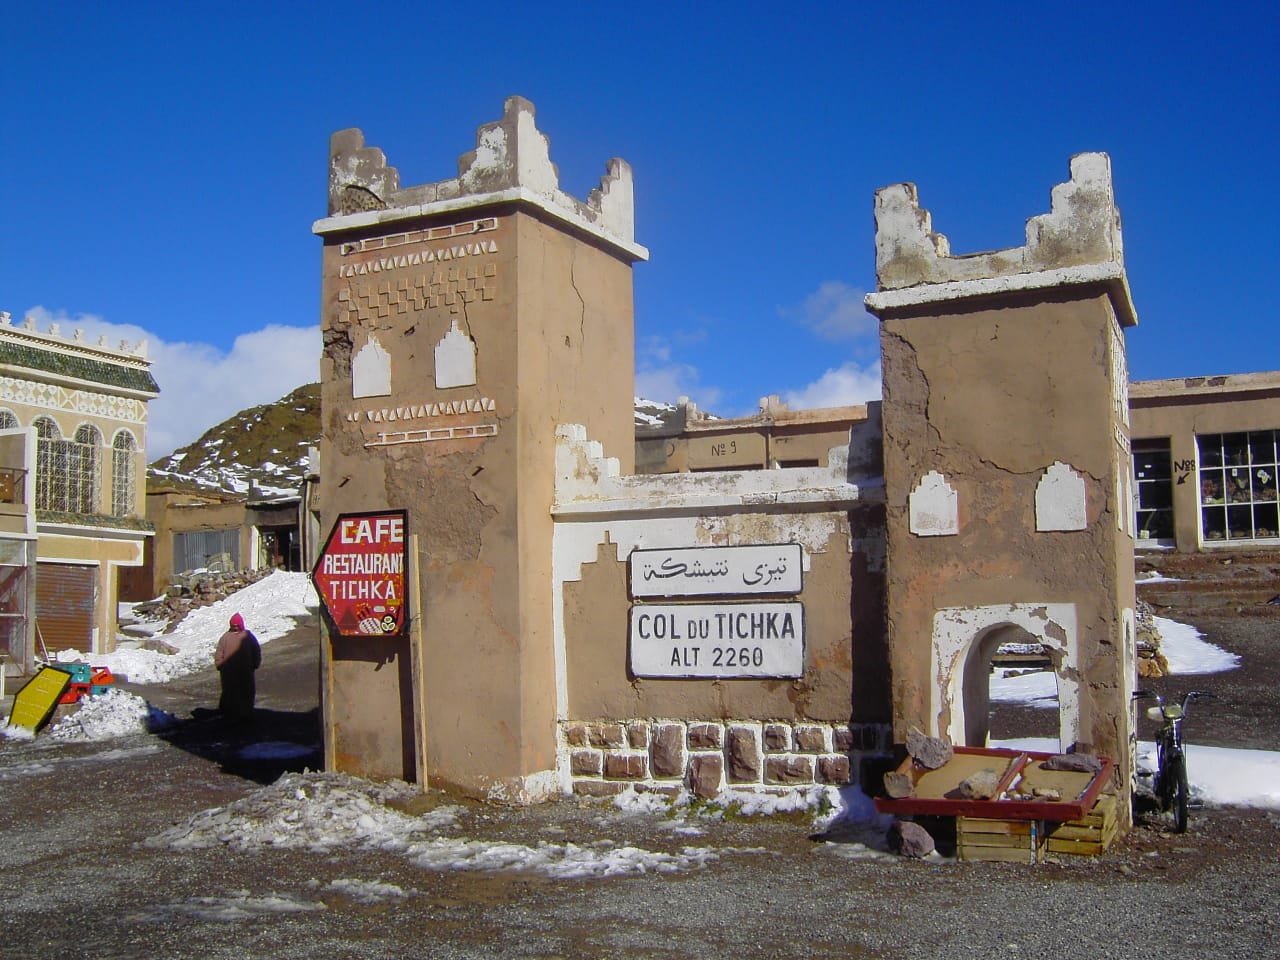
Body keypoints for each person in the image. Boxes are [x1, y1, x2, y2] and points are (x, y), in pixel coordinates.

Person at [214, 612, 261, 734]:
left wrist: (255, 663)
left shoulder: (248, 636)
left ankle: (246, 715)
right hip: (229, 672)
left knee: (246, 692)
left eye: (237, 625)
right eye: (233, 625)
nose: (235, 628)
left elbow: (256, 650)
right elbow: (219, 652)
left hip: (245, 670)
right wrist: (220, 664)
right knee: (231, 694)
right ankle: (231, 716)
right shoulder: (225, 637)